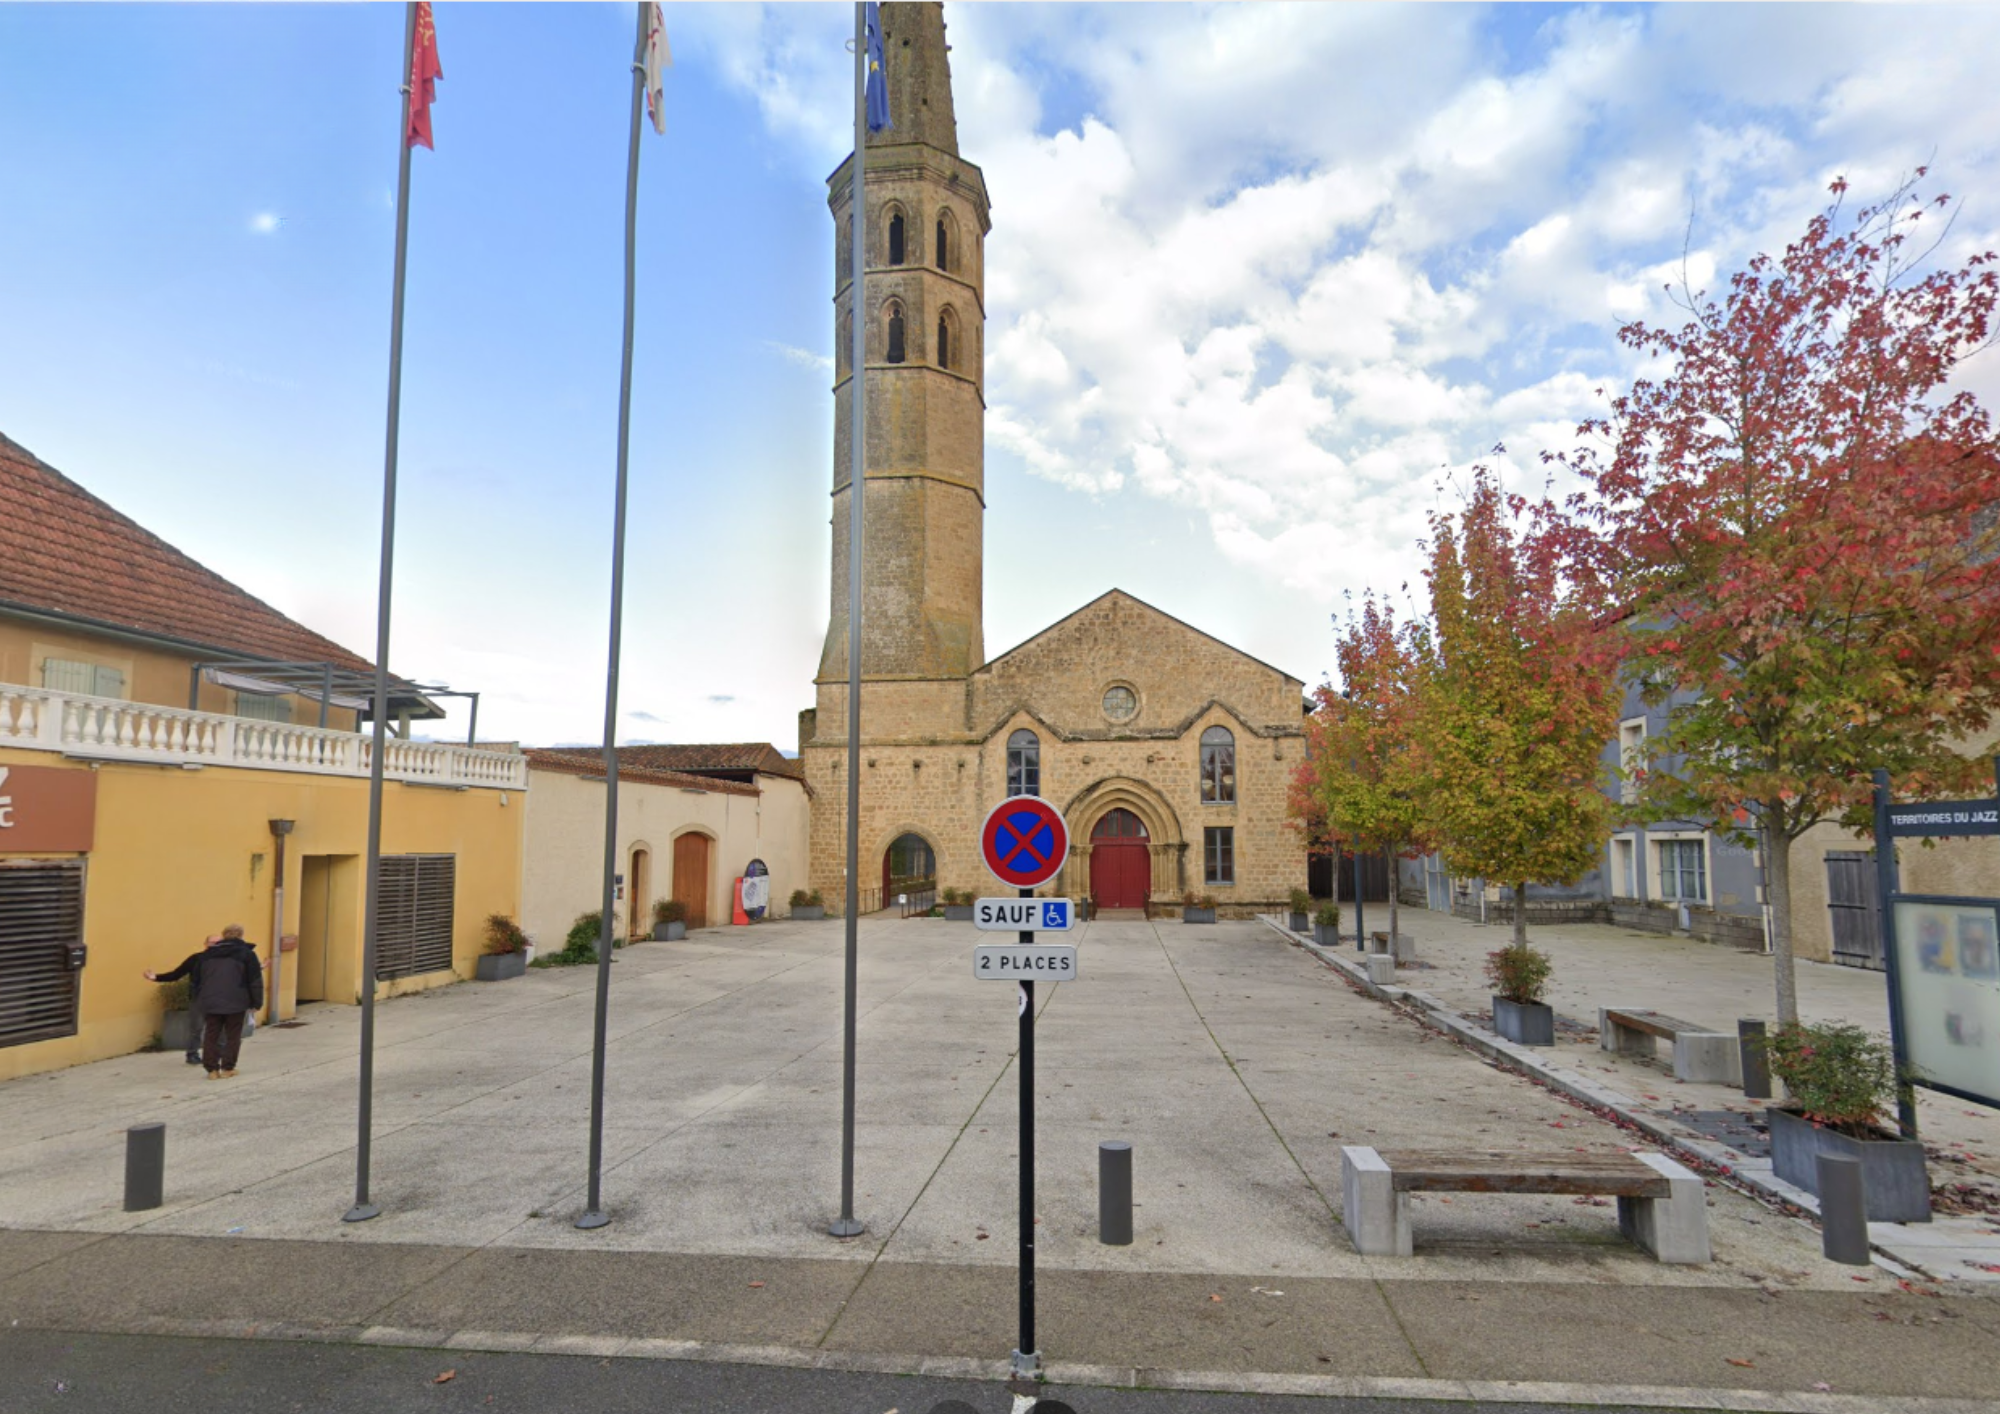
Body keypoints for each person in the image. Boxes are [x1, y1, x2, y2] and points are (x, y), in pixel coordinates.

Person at [144, 925, 264, 1079]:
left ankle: (212, 1070)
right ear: (241, 936)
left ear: (224, 936)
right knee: (233, 1036)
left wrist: (200, 996)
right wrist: (256, 1002)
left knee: (211, 1034)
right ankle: (227, 1068)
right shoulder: (247, 954)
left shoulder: (205, 956)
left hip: (209, 1001)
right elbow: (254, 981)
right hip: (236, 1001)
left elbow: (192, 978)